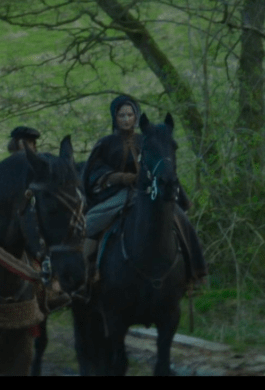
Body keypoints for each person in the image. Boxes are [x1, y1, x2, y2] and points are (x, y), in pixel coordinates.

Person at [81, 95, 208, 287]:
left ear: (136, 117)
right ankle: (86, 273)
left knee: (181, 218)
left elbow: (165, 166)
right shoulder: (106, 143)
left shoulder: (148, 138)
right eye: (122, 115)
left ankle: (195, 272)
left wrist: (175, 192)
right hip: (119, 193)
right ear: (115, 117)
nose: (126, 119)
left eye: (130, 115)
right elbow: (94, 170)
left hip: (150, 192)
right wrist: (119, 177)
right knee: (90, 222)